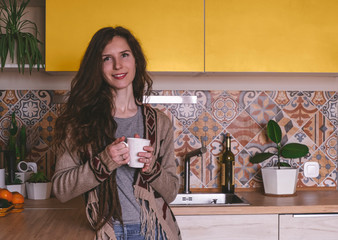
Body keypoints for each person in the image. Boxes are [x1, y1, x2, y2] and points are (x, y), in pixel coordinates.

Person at [52, 26, 181, 240]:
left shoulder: (159, 123)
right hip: (109, 231)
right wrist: (104, 161)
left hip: (155, 229)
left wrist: (151, 168)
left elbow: (172, 192)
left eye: (124, 55)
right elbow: (60, 189)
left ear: (136, 60)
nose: (118, 65)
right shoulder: (81, 123)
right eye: (107, 58)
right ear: (98, 67)